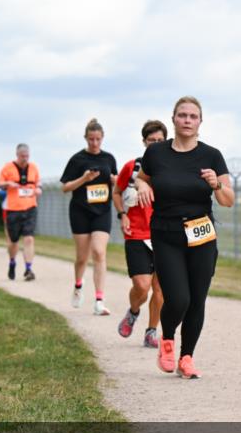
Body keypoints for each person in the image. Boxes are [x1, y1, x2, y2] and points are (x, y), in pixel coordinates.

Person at [135, 96, 234, 378]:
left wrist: (216, 184)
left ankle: (187, 357)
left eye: (193, 116)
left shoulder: (211, 155)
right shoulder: (156, 154)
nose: (187, 120)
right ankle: (167, 340)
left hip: (201, 234)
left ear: (200, 122)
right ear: (173, 119)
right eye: (182, 115)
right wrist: (142, 185)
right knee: (177, 298)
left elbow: (228, 199)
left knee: (197, 299)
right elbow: (143, 177)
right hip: (166, 233)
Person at [114, 120, 166, 347]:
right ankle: (134, 311)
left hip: (163, 233)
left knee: (160, 289)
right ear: (144, 142)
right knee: (142, 286)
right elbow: (116, 192)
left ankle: (151, 331)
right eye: (151, 140)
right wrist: (122, 214)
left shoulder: (171, 169)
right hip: (136, 233)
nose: (155, 144)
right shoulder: (131, 168)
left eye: (160, 141)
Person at [61, 118, 119, 315]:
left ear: (102, 139)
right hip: (80, 211)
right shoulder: (77, 159)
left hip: (102, 211)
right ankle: (78, 285)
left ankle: (99, 301)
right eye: (91, 139)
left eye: (98, 139)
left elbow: (117, 184)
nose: (94, 143)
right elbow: (65, 187)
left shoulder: (109, 159)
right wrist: (84, 178)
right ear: (86, 138)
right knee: (82, 257)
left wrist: (114, 180)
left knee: (99, 252)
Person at [0, 144, 41, 280]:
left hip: (30, 207)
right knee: (13, 241)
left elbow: (38, 183)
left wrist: (38, 189)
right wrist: (8, 184)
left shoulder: (33, 167)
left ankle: (28, 269)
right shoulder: (7, 167)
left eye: (27, 156)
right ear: (17, 155)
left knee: (29, 239)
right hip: (13, 209)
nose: (25, 159)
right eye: (22, 156)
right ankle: (12, 262)